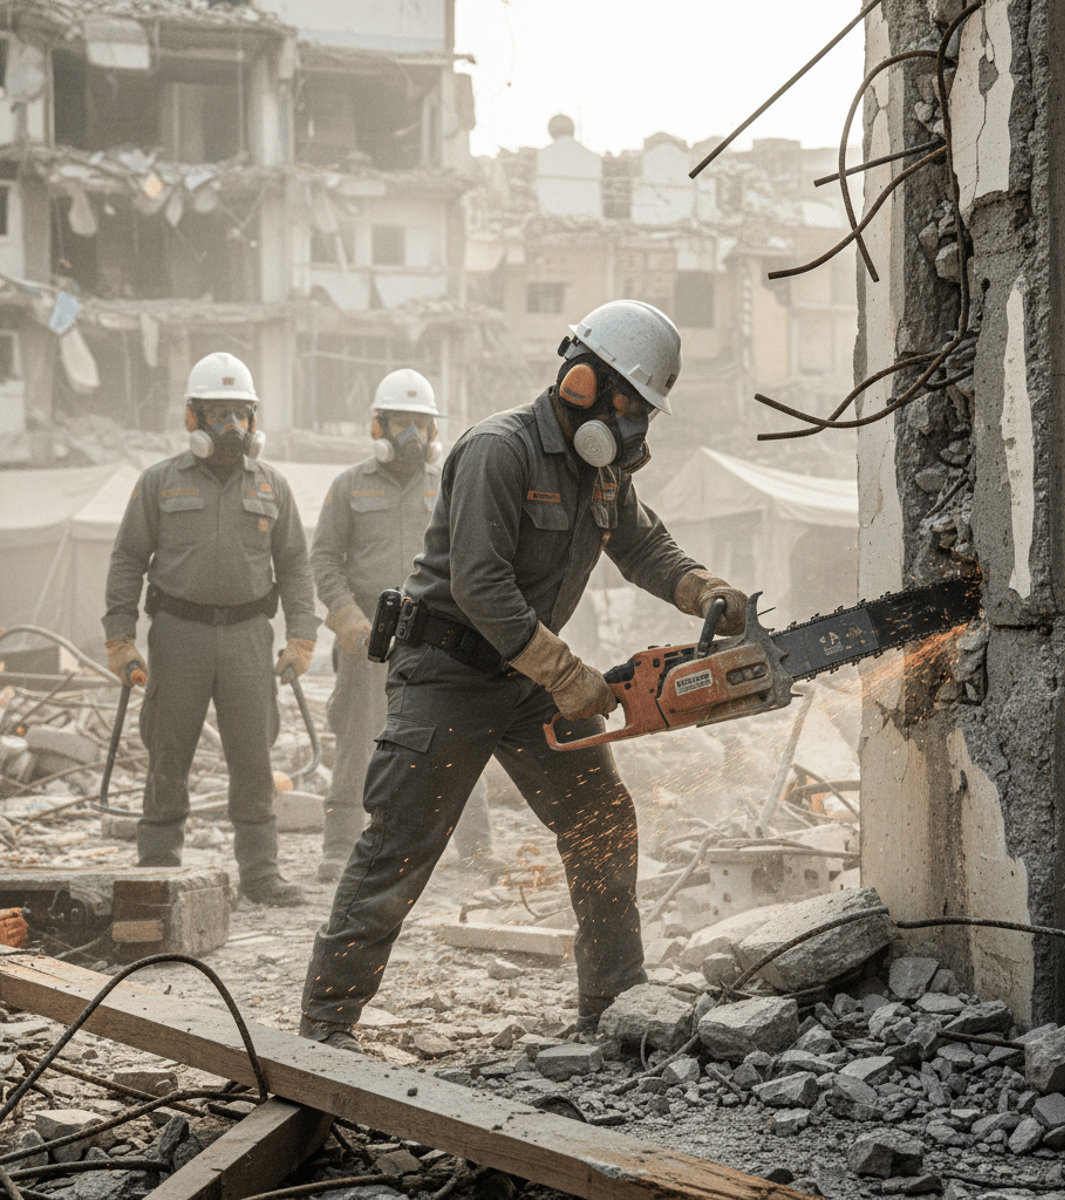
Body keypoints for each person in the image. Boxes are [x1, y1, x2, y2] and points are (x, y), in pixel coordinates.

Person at [299, 300, 748, 1050]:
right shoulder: (497, 450)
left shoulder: (600, 473)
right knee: (400, 846)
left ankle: (613, 1004)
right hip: (447, 670)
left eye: (645, 412)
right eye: (632, 406)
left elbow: (642, 546)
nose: (636, 426)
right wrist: (565, 673)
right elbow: (480, 584)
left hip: (525, 679)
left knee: (602, 819)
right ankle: (323, 1027)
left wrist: (702, 588)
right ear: (584, 382)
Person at [103, 352, 319, 907]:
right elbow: (128, 559)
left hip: (249, 637)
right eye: (218, 414)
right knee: (167, 753)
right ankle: (157, 867)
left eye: (240, 415)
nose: (231, 428)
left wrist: (301, 636)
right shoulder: (158, 483)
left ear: (253, 420)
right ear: (192, 418)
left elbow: (295, 564)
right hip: (178, 636)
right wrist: (119, 637)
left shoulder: (273, 485)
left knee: (253, 756)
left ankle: (260, 875)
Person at [310, 368, 497, 882]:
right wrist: (346, 616)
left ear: (434, 432)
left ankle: (477, 847)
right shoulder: (348, 486)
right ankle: (337, 846)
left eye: (420, 424)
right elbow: (323, 559)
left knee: (456, 735)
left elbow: (474, 557)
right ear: (379, 427)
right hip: (368, 632)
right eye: (400, 424)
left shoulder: (452, 485)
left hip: (439, 630)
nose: (411, 436)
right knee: (357, 737)